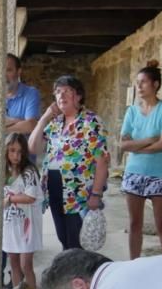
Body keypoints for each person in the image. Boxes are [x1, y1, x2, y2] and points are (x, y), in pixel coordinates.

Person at [28, 75, 108, 251]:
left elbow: (102, 160)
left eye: (67, 91)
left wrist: (96, 194)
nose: (61, 96)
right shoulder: (55, 123)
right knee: (63, 238)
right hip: (54, 187)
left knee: (76, 242)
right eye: (57, 92)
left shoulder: (90, 121)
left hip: (78, 191)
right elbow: (33, 147)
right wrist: (44, 119)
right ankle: (70, 276)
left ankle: (79, 276)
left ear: (78, 96)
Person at [119, 60, 162, 258]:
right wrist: (149, 141)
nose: (139, 86)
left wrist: (136, 146)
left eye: (143, 82)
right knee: (135, 224)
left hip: (160, 174)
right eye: (137, 82)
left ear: (155, 85)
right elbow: (123, 144)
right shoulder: (132, 111)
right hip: (134, 172)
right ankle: (133, 263)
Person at [2, 133, 42, 288]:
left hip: (27, 225)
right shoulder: (4, 170)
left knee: (26, 265)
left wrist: (10, 199)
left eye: (20, 152)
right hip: (11, 224)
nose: (16, 156)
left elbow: (30, 197)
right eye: (12, 150)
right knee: (14, 264)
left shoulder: (29, 172)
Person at [5, 53, 41, 135]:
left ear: (18, 72)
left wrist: (0, 129)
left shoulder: (30, 93)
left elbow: (31, 125)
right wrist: (19, 122)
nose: (4, 75)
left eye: (9, 70)